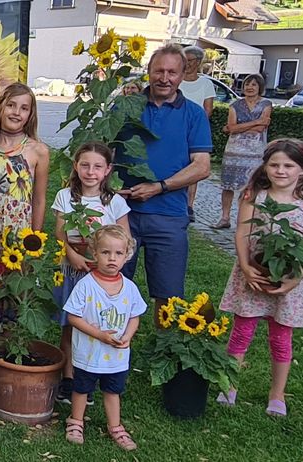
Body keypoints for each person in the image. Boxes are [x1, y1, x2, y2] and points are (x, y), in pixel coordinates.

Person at [216, 139, 303, 418]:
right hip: (252, 275)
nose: (281, 171)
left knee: (281, 338)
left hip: (288, 281)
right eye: (274, 164)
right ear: (265, 167)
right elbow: (242, 233)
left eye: (289, 166)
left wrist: (295, 279)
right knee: (242, 331)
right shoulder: (254, 196)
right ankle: (229, 385)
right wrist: (245, 266)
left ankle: (277, 394)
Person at [116, 43, 212, 313]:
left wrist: (159, 187)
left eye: (172, 72)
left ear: (183, 75)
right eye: (159, 71)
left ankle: (165, 349)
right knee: (111, 283)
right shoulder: (127, 108)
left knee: (168, 297)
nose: (165, 78)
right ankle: (113, 346)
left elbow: (202, 166)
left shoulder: (193, 114)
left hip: (168, 216)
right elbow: (104, 149)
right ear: (148, 71)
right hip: (122, 213)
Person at [52, 141, 130, 403]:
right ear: (76, 166)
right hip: (72, 269)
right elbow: (60, 231)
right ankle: (69, 377)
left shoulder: (115, 202)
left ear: (107, 170)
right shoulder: (66, 197)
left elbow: (124, 238)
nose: (90, 172)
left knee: (98, 323)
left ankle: (93, 374)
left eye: (97, 166)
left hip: (101, 277)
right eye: (84, 165)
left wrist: (107, 261)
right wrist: (71, 253)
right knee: (70, 324)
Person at [62, 225, 145, 451]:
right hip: (89, 353)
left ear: (127, 256)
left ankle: (115, 426)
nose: (112, 258)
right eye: (106, 252)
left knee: (113, 390)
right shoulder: (86, 285)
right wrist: (99, 334)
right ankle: (76, 422)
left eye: (118, 253)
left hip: (116, 356)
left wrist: (127, 335)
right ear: (94, 253)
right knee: (81, 388)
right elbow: (73, 317)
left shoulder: (129, 288)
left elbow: (135, 316)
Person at [0, 82, 50, 319]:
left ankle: (7, 350)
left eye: (24, 108)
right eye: (11, 105)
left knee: (13, 298)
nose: (17, 112)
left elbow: (38, 199)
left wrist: (34, 241)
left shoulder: (38, 151)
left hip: (18, 238)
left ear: (30, 115)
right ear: (0, 108)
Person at [214, 74, 272, 229]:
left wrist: (242, 126)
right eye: (247, 84)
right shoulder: (235, 105)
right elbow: (231, 128)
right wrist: (257, 121)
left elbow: (260, 129)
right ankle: (225, 218)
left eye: (253, 84)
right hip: (233, 151)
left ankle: (245, 219)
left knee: (250, 185)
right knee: (228, 185)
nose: (249, 87)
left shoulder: (266, 104)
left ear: (260, 87)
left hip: (255, 152)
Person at [179, 45, 216, 223]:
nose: (186, 64)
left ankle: (189, 205)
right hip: (174, 129)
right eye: (184, 60)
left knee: (194, 166)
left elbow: (208, 109)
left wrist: (194, 126)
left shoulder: (206, 83)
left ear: (199, 62)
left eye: (190, 61)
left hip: (195, 130)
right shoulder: (177, 80)